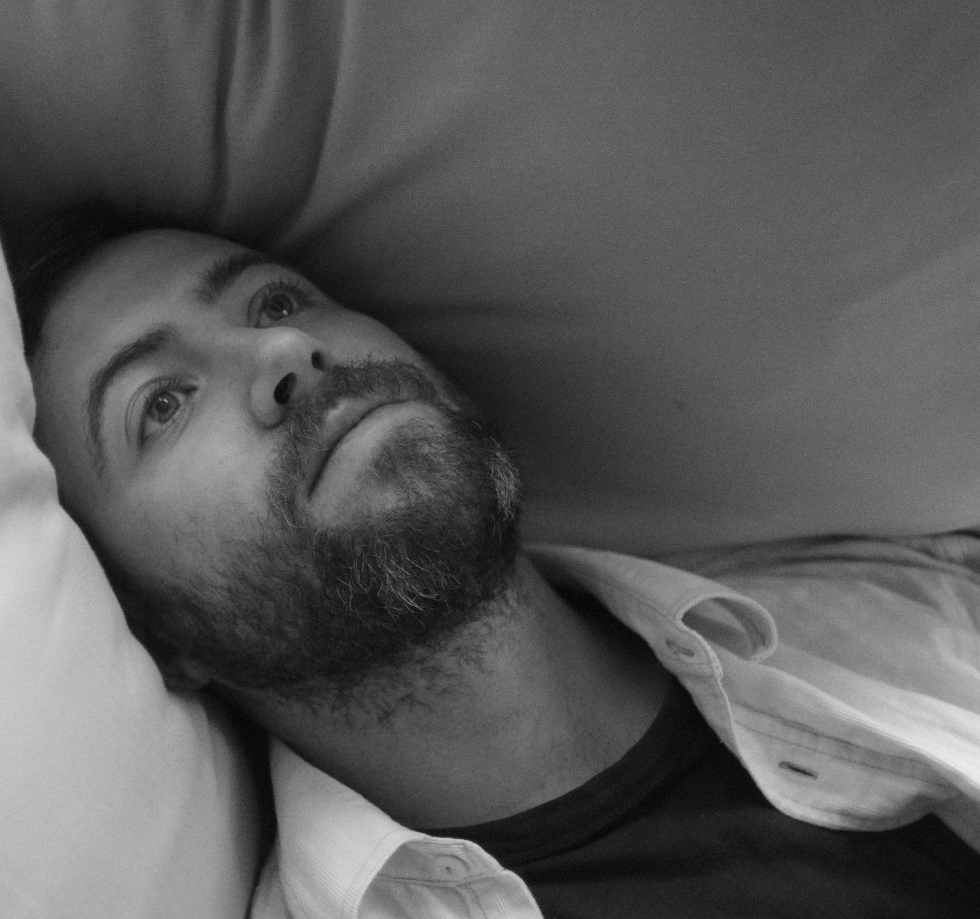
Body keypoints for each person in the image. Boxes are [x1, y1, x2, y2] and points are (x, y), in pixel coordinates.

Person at [14, 211, 980, 918]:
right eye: (162, 404)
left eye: (276, 300)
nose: (285, 349)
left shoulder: (914, 600)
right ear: (160, 636)